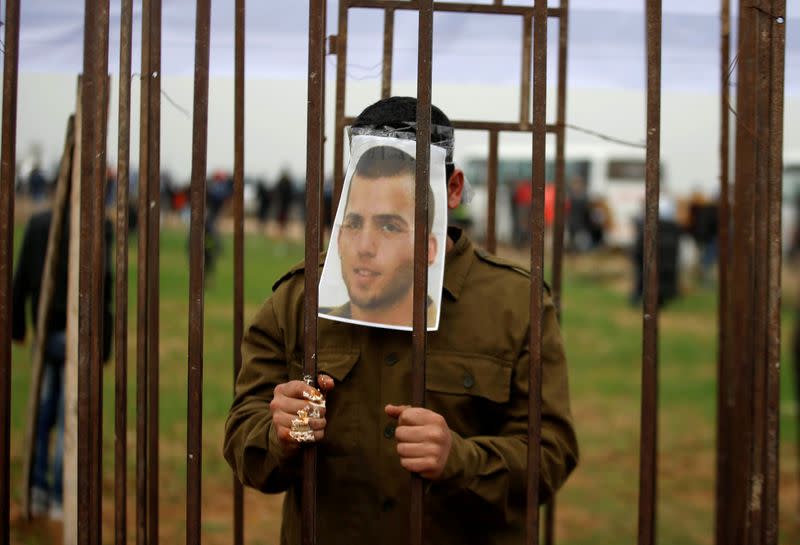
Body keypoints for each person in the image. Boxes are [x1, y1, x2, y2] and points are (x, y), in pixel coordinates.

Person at [224, 96, 578, 545]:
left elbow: (552, 453)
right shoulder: (299, 298)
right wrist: (284, 434)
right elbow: (243, 439)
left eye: (393, 223)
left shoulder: (515, 303)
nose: (367, 246)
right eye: (357, 215)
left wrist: (461, 459)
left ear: (452, 189)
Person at [12, 207, 113, 519]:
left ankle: (40, 488)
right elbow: (105, 287)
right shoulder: (96, 223)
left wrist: (18, 326)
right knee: (64, 414)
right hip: (77, 334)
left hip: (47, 332)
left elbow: (22, 278)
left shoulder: (39, 222)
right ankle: (57, 496)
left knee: (44, 411)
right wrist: (105, 342)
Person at [319, 145, 438, 328]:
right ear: (339, 238)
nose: (364, 247)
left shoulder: (468, 331)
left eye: (389, 227)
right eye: (354, 224)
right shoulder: (302, 319)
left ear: (427, 249)